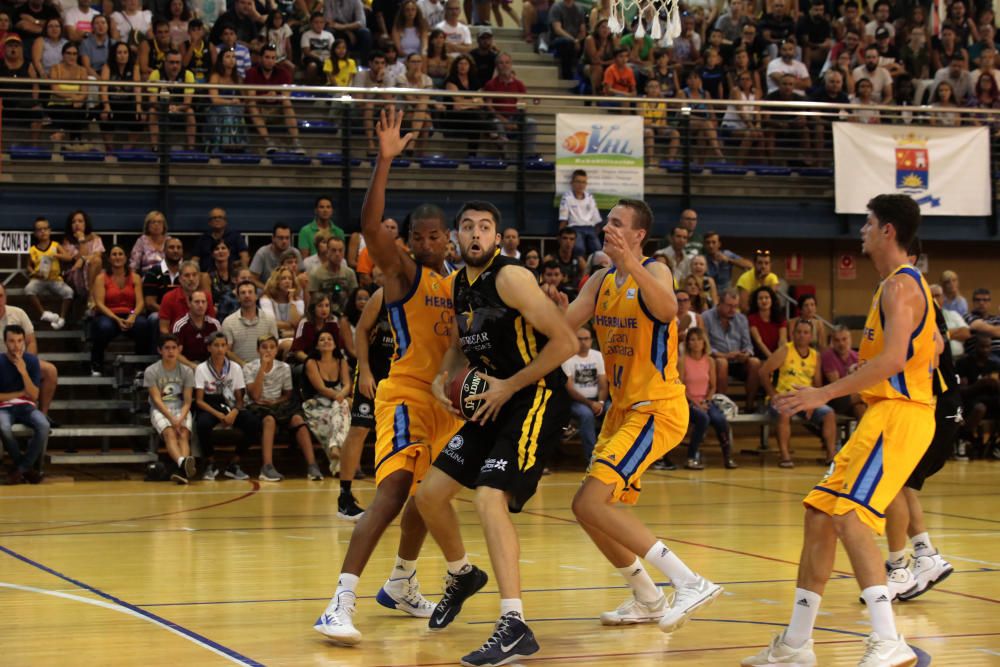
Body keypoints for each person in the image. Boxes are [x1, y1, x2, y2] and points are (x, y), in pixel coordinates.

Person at [743, 194, 931, 667]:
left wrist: (822, 393)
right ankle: (796, 644)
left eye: (868, 224)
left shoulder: (900, 287)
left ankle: (889, 640)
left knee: (849, 516)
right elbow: (930, 343)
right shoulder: (894, 287)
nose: (862, 231)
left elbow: (893, 361)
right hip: (882, 415)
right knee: (820, 514)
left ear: (888, 230)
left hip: (900, 414)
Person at [314, 108, 470, 646]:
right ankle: (339, 601)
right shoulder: (403, 274)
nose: (428, 243)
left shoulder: (460, 285)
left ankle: (402, 582)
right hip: (403, 395)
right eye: (418, 236)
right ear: (407, 240)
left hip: (445, 407)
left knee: (431, 499)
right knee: (391, 494)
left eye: (435, 236)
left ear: (448, 238)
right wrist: (383, 162)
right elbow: (367, 227)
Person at [418, 192, 575, 666]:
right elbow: (457, 347)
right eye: (467, 226)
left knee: (489, 497)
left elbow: (566, 342)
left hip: (534, 395)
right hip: (492, 399)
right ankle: (463, 574)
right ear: (455, 236)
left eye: (484, 227)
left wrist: (508, 386)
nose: (475, 234)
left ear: (498, 235)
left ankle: (514, 624)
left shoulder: (511, 277)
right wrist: (440, 378)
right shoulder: (455, 286)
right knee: (428, 496)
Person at [556, 198, 722, 643]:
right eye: (606, 221)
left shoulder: (657, 269)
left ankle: (689, 582)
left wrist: (631, 261)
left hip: (658, 407)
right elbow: (562, 326)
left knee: (591, 503)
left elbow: (667, 309)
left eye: (616, 223)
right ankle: (648, 598)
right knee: (589, 510)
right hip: (622, 412)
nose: (607, 228)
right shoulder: (599, 280)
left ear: (637, 235)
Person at [880, 239, 959, 602]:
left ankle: (902, 565)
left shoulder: (912, 290)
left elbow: (939, 345)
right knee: (903, 483)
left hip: (936, 400)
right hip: (926, 401)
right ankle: (924, 555)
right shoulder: (902, 289)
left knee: (896, 481)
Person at [335, 286, 394, 519]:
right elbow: (360, 331)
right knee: (359, 429)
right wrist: (366, 371)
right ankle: (345, 497)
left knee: (398, 434)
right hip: (374, 371)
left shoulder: (422, 297)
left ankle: (395, 495)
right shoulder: (383, 295)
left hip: (401, 375)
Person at [243, 334, 323, 481]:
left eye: (272, 347)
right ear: (257, 350)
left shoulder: (284, 367)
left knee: (298, 419)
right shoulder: (249, 367)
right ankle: (267, 466)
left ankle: (312, 465)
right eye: (264, 347)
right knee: (269, 420)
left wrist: (277, 401)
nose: (268, 351)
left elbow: (287, 394)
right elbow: (254, 395)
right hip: (257, 406)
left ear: (276, 350)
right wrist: (262, 368)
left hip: (278, 405)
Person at [760, 318, 838, 467]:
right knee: (784, 413)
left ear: (811, 336)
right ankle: (785, 456)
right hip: (784, 396)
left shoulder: (816, 356)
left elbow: (817, 384)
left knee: (829, 413)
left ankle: (830, 456)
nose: (802, 335)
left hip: (805, 398)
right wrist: (773, 395)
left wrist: (815, 401)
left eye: (806, 332)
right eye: (799, 332)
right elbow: (763, 372)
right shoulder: (785, 350)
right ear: (793, 334)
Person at [194, 331, 259, 481]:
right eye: (216, 345)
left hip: (230, 405)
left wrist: (234, 412)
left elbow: (240, 399)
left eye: (223, 345)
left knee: (254, 423)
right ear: (209, 348)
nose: (220, 349)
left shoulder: (235, 368)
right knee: (202, 424)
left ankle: (234, 463)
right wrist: (219, 415)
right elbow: (199, 401)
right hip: (210, 405)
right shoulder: (201, 369)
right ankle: (210, 463)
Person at [91, 245, 152, 376]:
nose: (117, 257)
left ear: (126, 258)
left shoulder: (135, 277)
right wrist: (116, 319)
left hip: (129, 314)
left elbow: (140, 302)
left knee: (143, 325)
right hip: (108, 314)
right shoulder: (101, 278)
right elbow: (100, 304)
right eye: (114, 254)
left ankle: (140, 367)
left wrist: (132, 316)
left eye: (120, 254)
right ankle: (96, 364)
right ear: (109, 259)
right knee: (104, 327)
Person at [680, 327, 736, 469]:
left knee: (719, 419)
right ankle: (691, 457)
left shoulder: (710, 361)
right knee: (703, 419)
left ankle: (728, 456)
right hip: (688, 401)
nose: (696, 343)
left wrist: (706, 401)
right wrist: (696, 403)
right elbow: (680, 387)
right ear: (688, 343)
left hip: (706, 400)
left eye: (699, 339)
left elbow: (713, 386)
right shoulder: (682, 361)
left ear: (704, 343)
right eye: (692, 340)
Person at [145, 334, 197, 484]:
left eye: (174, 348)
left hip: (181, 408)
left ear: (179, 349)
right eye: (167, 348)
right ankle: (183, 464)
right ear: (160, 350)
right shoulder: (151, 371)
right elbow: (156, 399)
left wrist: (180, 418)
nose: (171, 351)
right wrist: (171, 419)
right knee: (170, 433)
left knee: (184, 434)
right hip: (160, 409)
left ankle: (182, 471)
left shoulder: (187, 371)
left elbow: (188, 401)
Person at [0, 325, 47, 485]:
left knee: (44, 425)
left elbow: (33, 395)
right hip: (3, 407)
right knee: (4, 427)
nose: (16, 345)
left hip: (27, 406)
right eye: (12, 341)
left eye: (20, 341)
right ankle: (27, 469)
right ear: (5, 342)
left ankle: (20, 469)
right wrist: (20, 393)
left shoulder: (31, 361)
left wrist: (23, 371)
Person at [301, 329, 352, 470]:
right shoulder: (311, 362)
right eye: (322, 339)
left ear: (335, 345)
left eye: (329, 339)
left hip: (336, 401)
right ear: (317, 346)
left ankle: (335, 448)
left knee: (341, 408)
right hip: (316, 404)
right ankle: (342, 464)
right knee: (337, 415)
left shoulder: (341, 361)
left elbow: (347, 384)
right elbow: (321, 388)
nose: (326, 341)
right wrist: (340, 396)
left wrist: (341, 396)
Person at [703, 288, 761, 410]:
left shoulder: (741, 319)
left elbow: (748, 345)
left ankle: (749, 406)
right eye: (729, 306)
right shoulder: (706, 317)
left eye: (735, 306)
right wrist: (724, 355)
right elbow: (706, 347)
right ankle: (722, 406)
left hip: (738, 361)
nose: (732, 310)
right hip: (717, 360)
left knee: (755, 362)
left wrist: (746, 354)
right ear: (720, 302)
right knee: (722, 363)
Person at [245, 44, 304, 154]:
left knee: (287, 102)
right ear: (260, 58)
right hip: (260, 109)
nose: (270, 61)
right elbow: (250, 97)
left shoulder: (283, 73)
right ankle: (267, 141)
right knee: (251, 104)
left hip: (277, 110)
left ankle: (296, 142)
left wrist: (275, 96)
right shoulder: (252, 72)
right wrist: (265, 97)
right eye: (267, 57)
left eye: (273, 58)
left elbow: (286, 95)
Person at [561, 327, 607, 464]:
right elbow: (570, 389)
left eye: (586, 339)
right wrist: (591, 404)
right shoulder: (567, 358)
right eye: (579, 339)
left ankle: (613, 456)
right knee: (586, 415)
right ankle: (592, 459)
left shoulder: (597, 355)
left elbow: (604, 384)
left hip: (598, 400)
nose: (583, 342)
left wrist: (601, 403)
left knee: (613, 411)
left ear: (591, 340)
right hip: (576, 402)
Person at [26, 217, 74, 331]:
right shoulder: (33, 249)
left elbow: (68, 257)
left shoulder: (55, 245)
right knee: (28, 289)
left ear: (50, 230)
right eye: (39, 230)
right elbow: (28, 266)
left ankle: (62, 318)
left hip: (55, 279)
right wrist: (34, 273)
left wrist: (57, 255)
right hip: (40, 279)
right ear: (35, 233)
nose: (43, 232)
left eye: (45, 229)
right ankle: (44, 313)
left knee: (69, 292)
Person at [222, 280, 279, 365]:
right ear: (238, 298)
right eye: (243, 293)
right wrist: (245, 366)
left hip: (265, 367)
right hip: (240, 370)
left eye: (250, 292)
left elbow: (274, 347)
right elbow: (227, 351)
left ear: (256, 296)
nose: (247, 295)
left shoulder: (269, 319)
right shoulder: (228, 322)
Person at [158, 260, 217, 335]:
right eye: (187, 275)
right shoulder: (168, 297)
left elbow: (212, 324)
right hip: (177, 340)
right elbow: (164, 328)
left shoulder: (206, 296)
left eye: (194, 275)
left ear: (199, 277)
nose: (191, 279)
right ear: (179, 279)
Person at [821, 325, 866, 419]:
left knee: (860, 408)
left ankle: (865, 433)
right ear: (832, 342)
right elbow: (837, 385)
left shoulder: (857, 356)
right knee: (867, 395)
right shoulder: (828, 356)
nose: (841, 343)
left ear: (850, 339)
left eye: (844, 339)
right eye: (837, 340)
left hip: (852, 398)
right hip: (834, 398)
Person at [61, 210, 105, 304]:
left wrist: (83, 259)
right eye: (73, 222)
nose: (77, 224)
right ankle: (92, 297)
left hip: (93, 273)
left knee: (96, 261)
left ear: (86, 223)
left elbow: (98, 255)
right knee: (91, 263)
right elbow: (76, 260)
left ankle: (91, 296)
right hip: (75, 275)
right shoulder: (67, 241)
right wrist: (81, 239)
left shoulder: (95, 238)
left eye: (80, 221)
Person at [558, 169, 602, 258]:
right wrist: (560, 235)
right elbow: (563, 219)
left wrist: (595, 234)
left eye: (583, 182)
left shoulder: (590, 197)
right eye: (578, 181)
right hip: (575, 228)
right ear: (572, 183)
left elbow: (597, 220)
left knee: (598, 249)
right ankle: (581, 269)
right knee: (579, 248)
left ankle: (596, 269)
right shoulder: (567, 197)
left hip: (589, 227)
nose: (581, 185)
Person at [172, 290, 220, 369]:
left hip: (210, 366)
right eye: (197, 302)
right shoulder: (180, 325)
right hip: (187, 367)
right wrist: (193, 366)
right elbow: (176, 353)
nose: (201, 305)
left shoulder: (214, 324)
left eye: (203, 302)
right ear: (189, 304)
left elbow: (220, 349)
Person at [748, 285, 788, 359]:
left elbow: (782, 340)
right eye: (760, 298)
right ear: (756, 301)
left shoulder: (780, 317)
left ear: (772, 300)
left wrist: (778, 357)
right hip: (760, 355)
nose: (764, 301)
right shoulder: (751, 318)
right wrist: (772, 358)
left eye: (767, 298)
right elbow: (758, 341)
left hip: (778, 355)